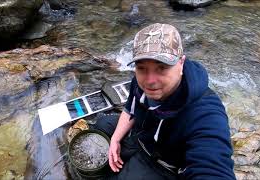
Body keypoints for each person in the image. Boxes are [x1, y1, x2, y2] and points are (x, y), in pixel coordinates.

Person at [93, 23, 235, 179]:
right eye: (142, 68)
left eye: (161, 67)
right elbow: (130, 109)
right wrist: (115, 139)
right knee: (101, 125)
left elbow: (212, 168)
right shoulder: (140, 81)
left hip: (160, 164)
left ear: (181, 63)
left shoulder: (206, 113)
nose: (150, 80)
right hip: (139, 137)